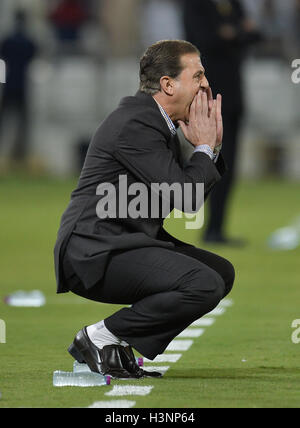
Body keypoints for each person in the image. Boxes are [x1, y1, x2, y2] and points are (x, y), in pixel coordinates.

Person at [54, 40, 235, 379]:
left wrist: (209, 150)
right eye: (197, 76)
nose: (206, 85)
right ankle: (100, 337)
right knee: (202, 283)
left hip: (122, 241)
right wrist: (205, 147)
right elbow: (185, 196)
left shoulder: (154, 122)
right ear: (168, 84)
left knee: (219, 273)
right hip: (93, 249)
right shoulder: (137, 123)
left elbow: (186, 197)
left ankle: (116, 342)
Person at [183, 0, 261, 245]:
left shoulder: (232, 4)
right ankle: (209, 228)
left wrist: (230, 32)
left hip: (233, 95)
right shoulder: (196, 5)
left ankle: (216, 228)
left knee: (228, 165)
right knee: (213, 161)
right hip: (209, 94)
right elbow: (202, 40)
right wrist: (238, 32)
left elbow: (254, 35)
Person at [0, 10, 37, 161]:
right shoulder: (28, 41)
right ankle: (20, 154)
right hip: (23, 86)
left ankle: (7, 151)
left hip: (9, 85)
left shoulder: (8, 40)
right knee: (23, 124)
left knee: (5, 121)